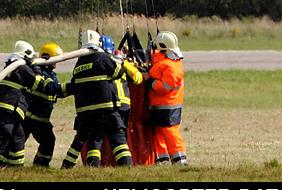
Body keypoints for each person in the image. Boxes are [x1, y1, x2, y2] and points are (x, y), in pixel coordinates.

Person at [0, 40, 58, 171]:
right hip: (9, 107)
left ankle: (15, 168)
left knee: (18, 137)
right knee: (2, 136)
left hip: (11, 108)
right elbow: (39, 84)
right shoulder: (21, 67)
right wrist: (36, 68)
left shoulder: (12, 65)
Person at [61, 31, 133, 169]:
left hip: (86, 110)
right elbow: (118, 72)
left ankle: (72, 165)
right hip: (105, 108)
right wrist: (118, 60)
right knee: (117, 137)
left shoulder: (79, 62)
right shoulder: (102, 57)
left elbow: (74, 84)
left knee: (88, 139)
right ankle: (126, 166)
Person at [22, 42, 68, 167]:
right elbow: (51, 88)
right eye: (54, 59)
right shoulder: (40, 72)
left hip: (41, 118)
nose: (56, 63)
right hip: (32, 118)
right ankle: (6, 164)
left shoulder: (51, 74)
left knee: (48, 140)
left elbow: (57, 92)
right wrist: (72, 87)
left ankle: (40, 165)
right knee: (18, 142)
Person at [146, 30, 187, 166]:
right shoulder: (163, 58)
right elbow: (152, 56)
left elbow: (164, 87)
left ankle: (179, 159)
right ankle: (162, 161)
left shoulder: (171, 66)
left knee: (169, 132)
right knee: (158, 132)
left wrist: (148, 80)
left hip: (168, 106)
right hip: (158, 105)